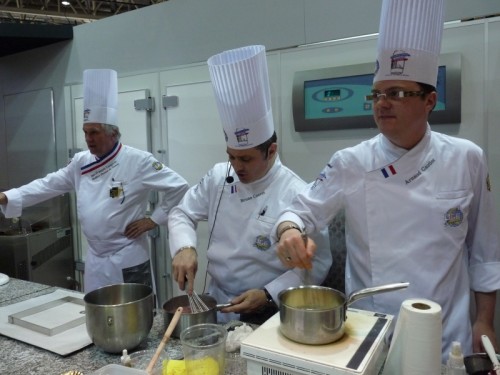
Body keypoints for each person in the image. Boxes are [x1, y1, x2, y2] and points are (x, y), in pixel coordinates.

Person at [272, 0, 500, 362]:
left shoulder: (467, 158)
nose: (382, 103)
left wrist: (485, 322)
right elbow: (298, 212)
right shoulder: (351, 162)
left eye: (396, 93)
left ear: (430, 100)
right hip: (371, 335)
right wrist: (288, 232)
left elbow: (486, 254)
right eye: (377, 94)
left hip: (447, 338)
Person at [168, 45, 331, 325]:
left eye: (245, 158)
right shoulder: (220, 176)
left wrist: (269, 294)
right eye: (231, 156)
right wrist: (184, 247)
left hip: (268, 311)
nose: (236, 166)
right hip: (217, 301)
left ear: (272, 150)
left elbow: (318, 263)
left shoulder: (298, 194)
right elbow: (181, 213)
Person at [0, 69, 189, 293]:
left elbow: (180, 187)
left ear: (113, 133)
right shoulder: (81, 162)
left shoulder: (138, 161)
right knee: (97, 315)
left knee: (137, 316)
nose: (88, 139)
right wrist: (7, 197)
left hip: (127, 257)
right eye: (86, 132)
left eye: (95, 132)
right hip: (96, 260)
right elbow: (49, 184)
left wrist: (154, 219)